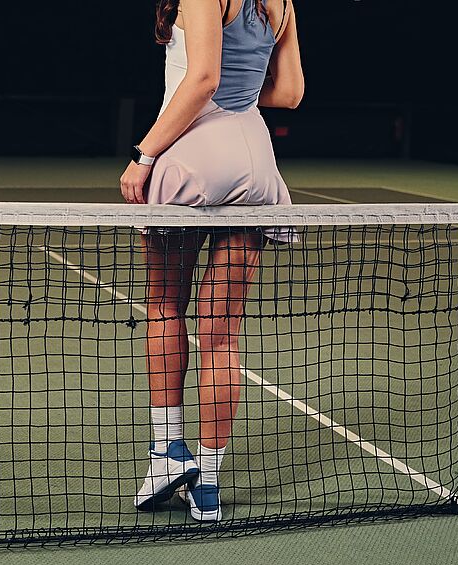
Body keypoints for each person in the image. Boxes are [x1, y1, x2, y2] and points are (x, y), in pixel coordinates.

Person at [120, 0, 304, 522]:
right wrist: (240, 96)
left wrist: (143, 154)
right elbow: (289, 93)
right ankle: (207, 483)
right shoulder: (283, 2)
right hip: (254, 158)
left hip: (193, 154)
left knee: (164, 308)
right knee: (221, 336)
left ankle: (167, 454)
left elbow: (202, 78)